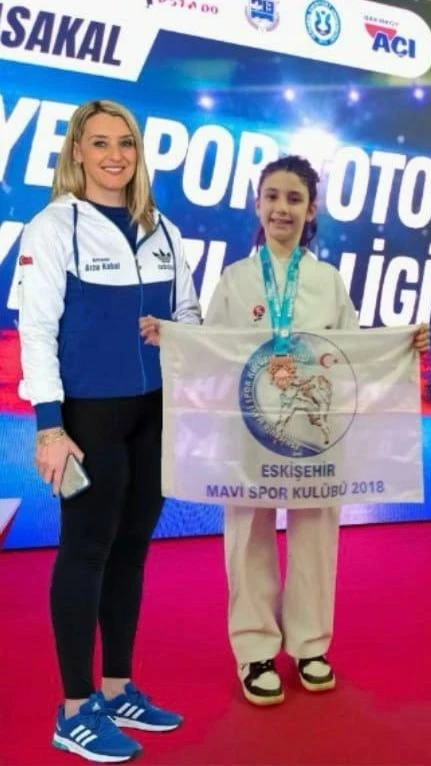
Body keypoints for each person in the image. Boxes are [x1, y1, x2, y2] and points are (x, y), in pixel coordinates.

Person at [140, 154, 430, 707]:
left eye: (294, 198)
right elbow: (213, 351)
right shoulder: (235, 279)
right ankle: (254, 649)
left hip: (315, 436)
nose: (282, 208)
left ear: (311, 210)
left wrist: (402, 344)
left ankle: (310, 645)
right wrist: (173, 338)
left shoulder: (327, 281)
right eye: (272, 196)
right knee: (247, 535)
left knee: (316, 535)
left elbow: (352, 355)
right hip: (250, 433)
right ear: (257, 204)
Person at [18, 99, 201, 761]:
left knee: (131, 550)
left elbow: (190, 315)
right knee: (86, 551)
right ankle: (74, 710)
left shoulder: (163, 229)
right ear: (77, 152)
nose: (115, 155)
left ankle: (118, 689)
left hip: (153, 415)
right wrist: (49, 428)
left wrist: (173, 332)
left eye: (125, 143)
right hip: (88, 419)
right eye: (99, 143)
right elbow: (36, 331)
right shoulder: (52, 227)